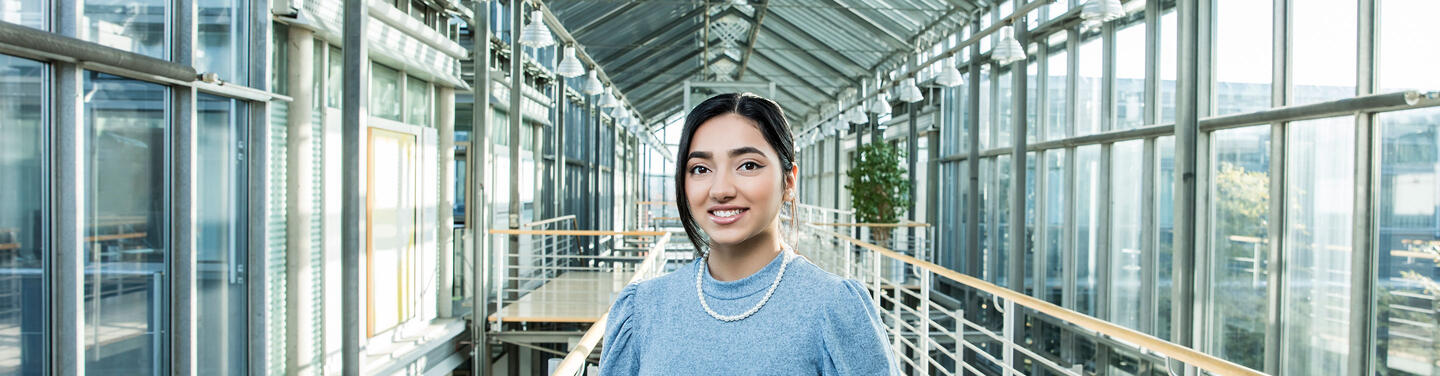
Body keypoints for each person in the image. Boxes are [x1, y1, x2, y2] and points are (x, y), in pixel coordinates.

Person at [599, 93, 900, 375]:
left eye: (748, 165)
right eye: (701, 169)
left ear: (789, 182)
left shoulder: (834, 306)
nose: (721, 190)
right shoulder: (642, 309)